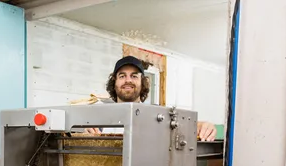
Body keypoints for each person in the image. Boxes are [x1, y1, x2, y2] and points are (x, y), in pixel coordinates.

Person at [86, 56, 218, 141]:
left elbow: (182, 125)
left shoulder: (157, 116)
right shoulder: (101, 120)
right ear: (114, 83)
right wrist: (84, 137)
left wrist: (202, 125)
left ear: (142, 82)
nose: (128, 80)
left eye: (134, 76)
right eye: (122, 76)